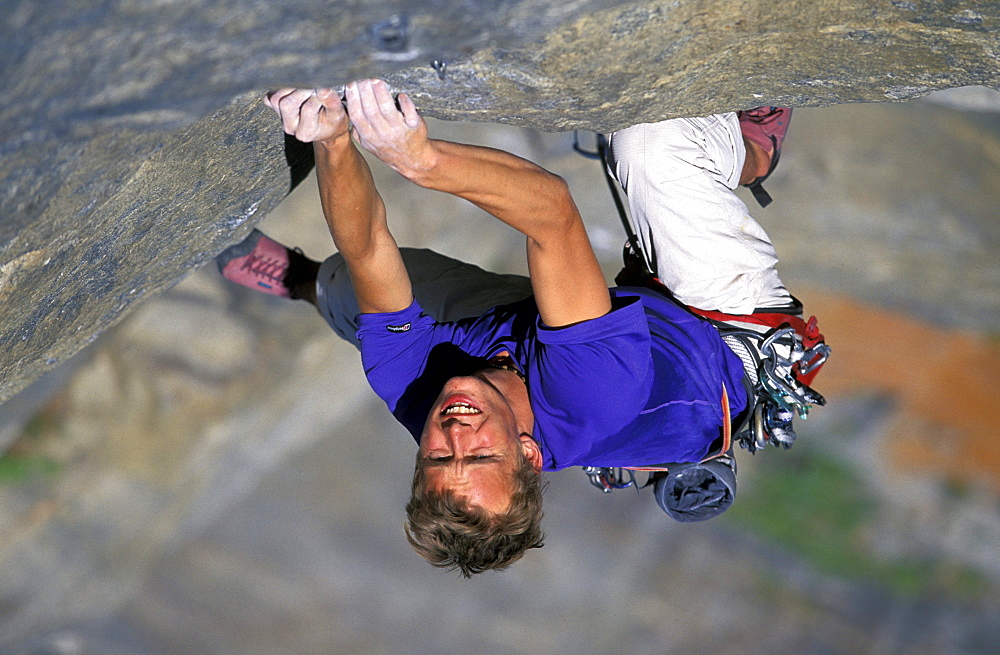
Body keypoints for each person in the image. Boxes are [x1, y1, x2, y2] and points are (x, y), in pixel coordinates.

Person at [217, 79, 796, 576]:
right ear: (528, 452)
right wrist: (420, 159)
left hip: (533, 346)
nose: (455, 435)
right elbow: (550, 210)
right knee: (651, 145)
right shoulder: (592, 392)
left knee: (349, 287)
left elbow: (370, 247)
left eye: (439, 460)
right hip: (718, 328)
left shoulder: (419, 395)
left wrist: (333, 135)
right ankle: (747, 148)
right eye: (481, 457)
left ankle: (299, 279)